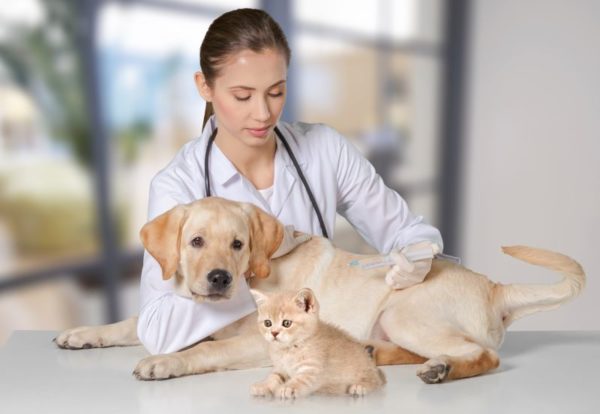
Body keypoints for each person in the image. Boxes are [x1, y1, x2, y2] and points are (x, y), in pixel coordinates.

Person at [137, 8, 443, 355]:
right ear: (204, 87)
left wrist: (420, 254)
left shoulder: (325, 149)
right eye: (242, 96)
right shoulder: (179, 184)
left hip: (323, 358)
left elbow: (408, 233)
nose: (263, 113)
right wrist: (261, 270)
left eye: (276, 92)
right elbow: (156, 330)